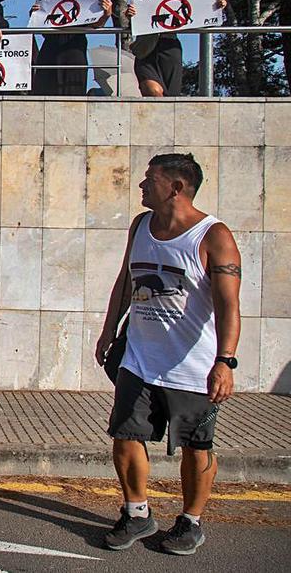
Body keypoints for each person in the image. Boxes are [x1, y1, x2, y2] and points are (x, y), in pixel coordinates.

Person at [94, 153, 241, 556]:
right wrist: (109, 330)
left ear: (176, 187)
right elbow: (126, 279)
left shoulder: (213, 236)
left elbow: (229, 305)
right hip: (139, 359)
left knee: (197, 447)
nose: (142, 185)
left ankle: (191, 521)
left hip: (192, 366)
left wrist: (224, 361)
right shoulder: (141, 225)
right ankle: (137, 512)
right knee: (124, 436)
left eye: (150, 179)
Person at [125, 0, 227, 97]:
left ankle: (162, 119)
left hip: (169, 49)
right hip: (145, 49)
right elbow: (133, 26)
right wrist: (131, 16)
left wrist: (216, 6)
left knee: (170, 97)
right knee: (152, 90)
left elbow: (201, 13)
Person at [31, 0, 114, 95]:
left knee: (73, 97)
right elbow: (41, 28)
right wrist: (35, 15)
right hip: (49, 50)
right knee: (43, 93)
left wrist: (106, 14)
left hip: (74, 50)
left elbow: (96, 25)